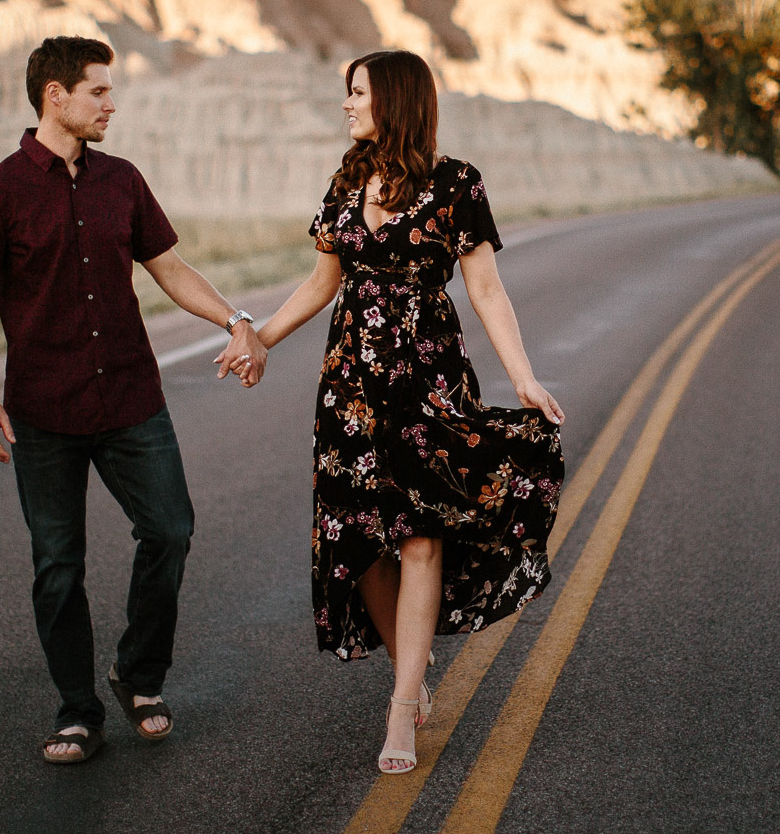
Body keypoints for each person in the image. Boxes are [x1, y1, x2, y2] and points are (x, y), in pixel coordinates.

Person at [233, 49, 565, 775]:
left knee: (419, 537)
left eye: (356, 92)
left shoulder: (457, 184)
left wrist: (525, 376)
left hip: (428, 384)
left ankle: (403, 703)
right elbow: (323, 281)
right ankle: (408, 676)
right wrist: (259, 335)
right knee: (359, 543)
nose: (346, 104)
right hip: (349, 386)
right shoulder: (348, 180)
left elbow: (488, 292)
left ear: (394, 98)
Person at [0, 35, 267, 764]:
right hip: (44, 408)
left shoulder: (121, 180)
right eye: (98, 91)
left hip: (130, 397)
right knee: (58, 564)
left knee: (171, 530)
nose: (111, 103)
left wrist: (236, 320)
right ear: (54, 96)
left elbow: (169, 266)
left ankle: (139, 673)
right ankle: (77, 712)